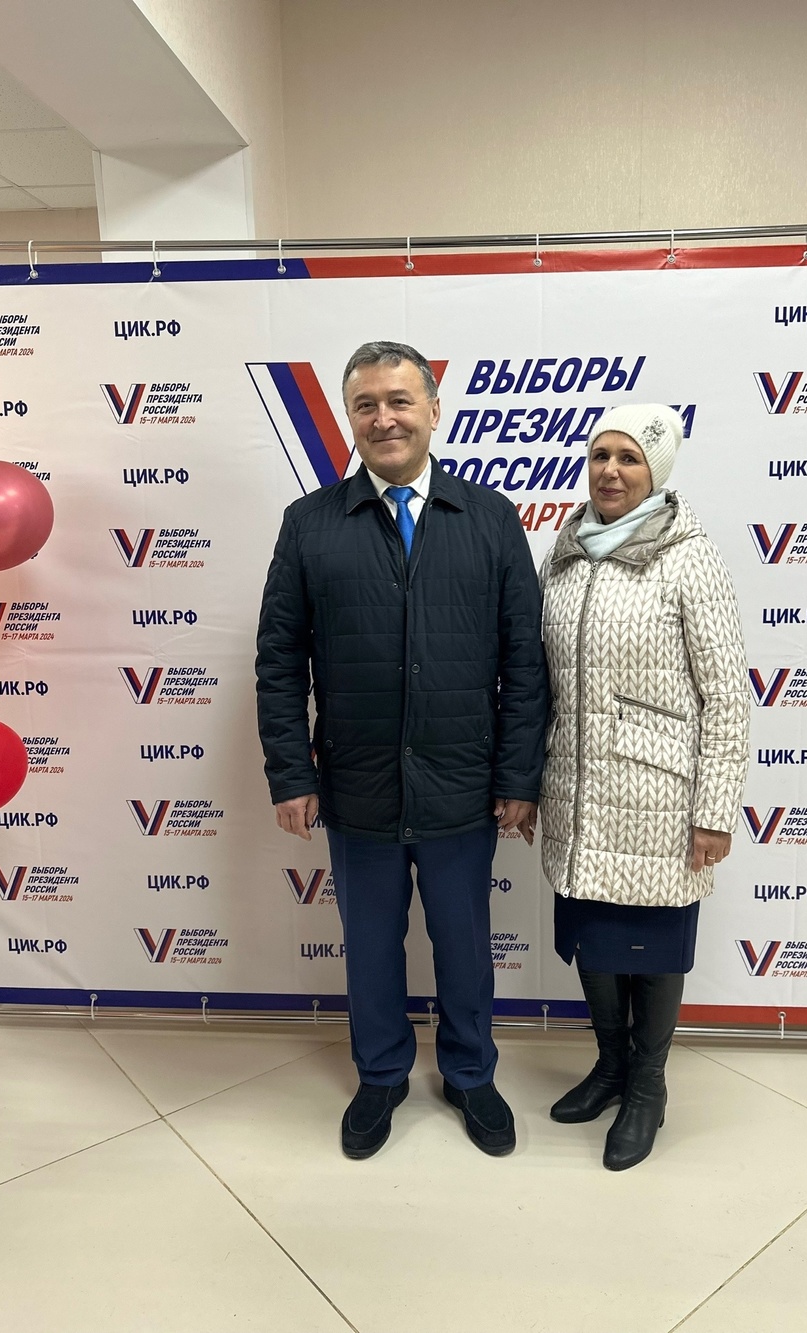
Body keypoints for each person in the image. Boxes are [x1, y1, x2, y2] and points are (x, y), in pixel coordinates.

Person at [256, 341, 548, 1160]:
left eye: (399, 401)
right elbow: (279, 660)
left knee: (465, 944)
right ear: (350, 418)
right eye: (366, 405)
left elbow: (525, 661)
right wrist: (291, 772)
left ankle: (470, 1073)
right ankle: (381, 1074)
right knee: (372, 947)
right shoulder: (310, 523)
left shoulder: (488, 517)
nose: (384, 418)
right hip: (358, 787)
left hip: (463, 785)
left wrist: (518, 776)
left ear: (432, 411)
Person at [539, 403, 749, 1171]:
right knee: (593, 938)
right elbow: (540, 680)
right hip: (577, 792)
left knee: (653, 946)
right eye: (601, 454)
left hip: (660, 801)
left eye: (628, 457)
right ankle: (611, 1065)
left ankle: (649, 1087)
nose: (610, 471)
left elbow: (727, 695)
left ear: (656, 471)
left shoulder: (690, 557)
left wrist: (715, 809)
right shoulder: (564, 553)